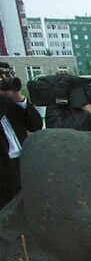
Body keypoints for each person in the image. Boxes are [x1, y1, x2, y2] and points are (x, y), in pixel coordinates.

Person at [0, 79, 43, 208]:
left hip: (22, 161)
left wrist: (19, 98)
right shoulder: (4, 104)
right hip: (4, 168)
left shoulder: (12, 105)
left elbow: (36, 125)